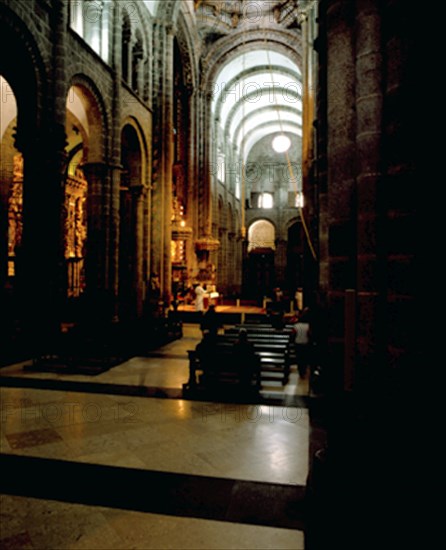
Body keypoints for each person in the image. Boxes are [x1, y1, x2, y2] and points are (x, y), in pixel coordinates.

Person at [293, 311, 311, 378]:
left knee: (299, 357)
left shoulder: (296, 326)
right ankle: (304, 370)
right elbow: (309, 334)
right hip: (305, 343)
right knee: (304, 358)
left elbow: (293, 334)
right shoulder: (308, 325)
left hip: (298, 343)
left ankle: (300, 370)